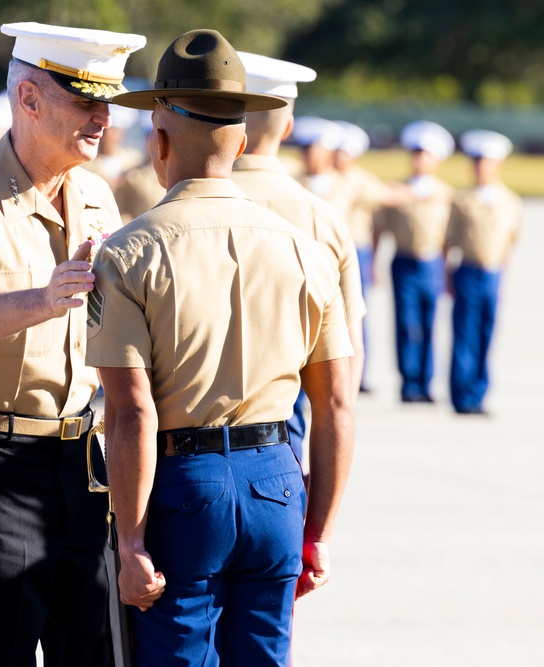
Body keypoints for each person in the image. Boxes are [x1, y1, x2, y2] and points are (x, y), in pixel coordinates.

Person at [87, 29, 356, 666]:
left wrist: (129, 543)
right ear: (240, 139)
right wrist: (315, 533)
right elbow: (338, 405)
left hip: (182, 483)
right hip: (275, 483)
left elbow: (131, 414)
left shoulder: (127, 253)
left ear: (157, 142)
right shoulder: (305, 250)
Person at [0, 21, 145, 666]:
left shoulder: (97, 197)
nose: (102, 119)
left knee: (96, 651)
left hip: (85, 462)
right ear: (30, 98)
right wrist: (44, 298)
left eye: (107, 103)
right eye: (85, 101)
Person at [230, 50, 365, 465]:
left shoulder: (177, 207)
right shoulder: (325, 219)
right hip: (286, 419)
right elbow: (346, 357)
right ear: (287, 127)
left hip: (190, 427)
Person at [374, 120, 455, 403]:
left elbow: (449, 237)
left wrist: (447, 271)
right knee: (408, 324)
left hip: (432, 263)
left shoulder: (446, 194)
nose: (420, 159)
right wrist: (373, 263)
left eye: (427, 154)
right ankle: (409, 383)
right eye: (416, 153)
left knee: (431, 323)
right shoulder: (396, 191)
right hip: (405, 261)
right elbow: (380, 229)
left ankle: (426, 381)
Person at [444, 130, 522, 415]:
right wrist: (447, 276)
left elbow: (509, 245)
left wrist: (504, 281)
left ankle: (478, 393)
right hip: (467, 269)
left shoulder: (509, 201)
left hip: (492, 273)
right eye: (476, 162)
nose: (481, 168)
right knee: (465, 333)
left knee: (486, 334)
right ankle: (461, 395)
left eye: (486, 162)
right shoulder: (462, 199)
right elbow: (448, 242)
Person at [334, 120, 402, 392]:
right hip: (330, 251)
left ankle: (357, 374)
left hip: (355, 251)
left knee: (356, 313)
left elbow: (388, 196)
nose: (340, 156)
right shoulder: (329, 177)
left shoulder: (361, 181)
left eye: (346, 151)